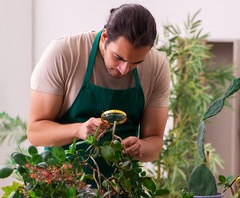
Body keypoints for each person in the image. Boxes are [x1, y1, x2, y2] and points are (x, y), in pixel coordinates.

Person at [27, 4, 170, 168]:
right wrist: (79, 130)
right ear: (104, 36)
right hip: (64, 185)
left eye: (136, 63)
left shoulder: (157, 66)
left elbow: (155, 142)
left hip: (120, 186)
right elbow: (35, 132)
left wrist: (142, 148)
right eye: (118, 57)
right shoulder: (64, 53)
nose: (123, 69)